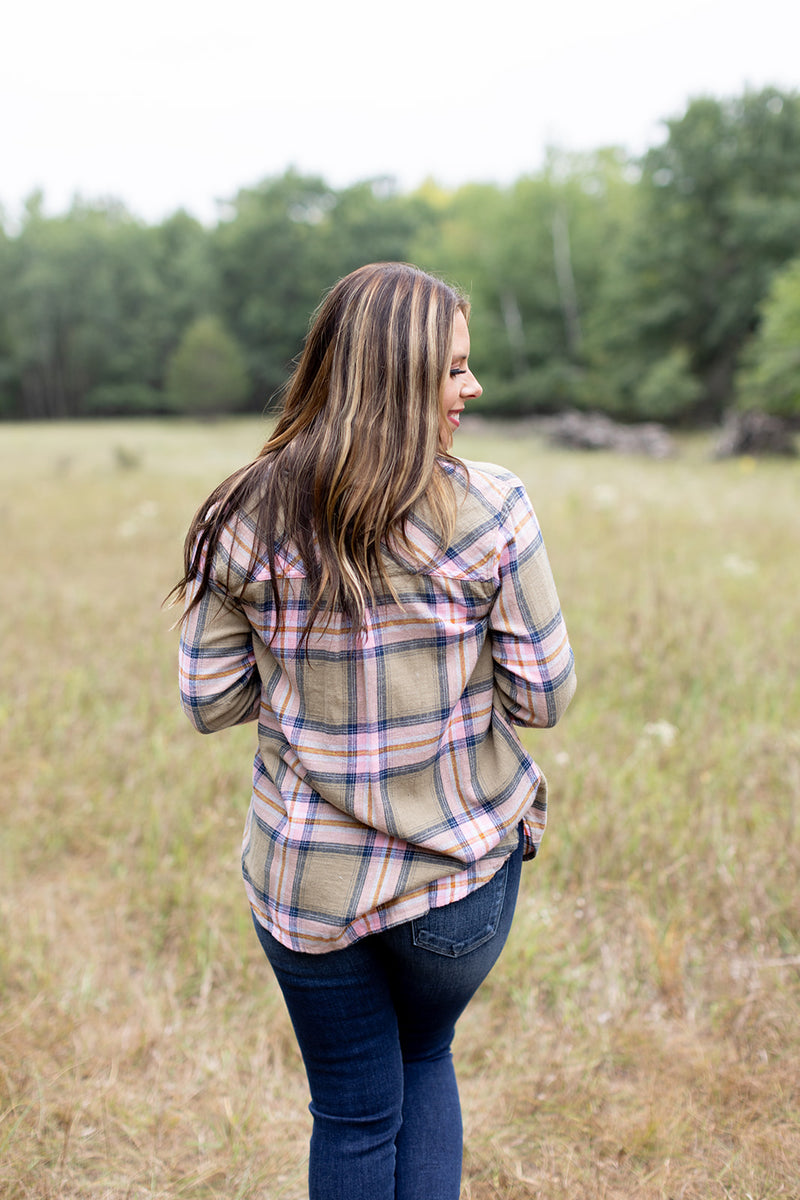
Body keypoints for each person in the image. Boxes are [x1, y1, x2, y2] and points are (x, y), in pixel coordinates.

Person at [172, 262, 576, 1199]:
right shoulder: (492, 507)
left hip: (305, 882)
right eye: (453, 371)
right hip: (455, 884)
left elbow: (209, 699)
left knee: (353, 1110)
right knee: (425, 1057)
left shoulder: (244, 511)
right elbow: (543, 696)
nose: (472, 389)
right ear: (393, 377)